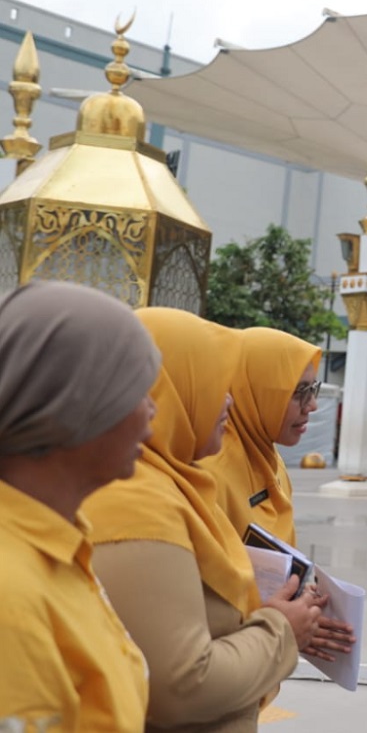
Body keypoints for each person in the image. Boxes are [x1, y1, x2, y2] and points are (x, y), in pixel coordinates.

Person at [82, 308, 325, 732]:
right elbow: (181, 685)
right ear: (171, 389)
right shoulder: (140, 502)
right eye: (217, 380)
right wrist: (278, 631)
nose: (228, 398)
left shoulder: (182, 481)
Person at [0, 282, 160, 730]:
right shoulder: (9, 593)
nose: (151, 413)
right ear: (73, 402)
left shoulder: (60, 545)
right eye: (135, 390)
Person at [204, 326, 322, 544]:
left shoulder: (269, 457)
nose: (312, 406)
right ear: (254, 392)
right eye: (299, 392)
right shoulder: (211, 472)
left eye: (312, 389)